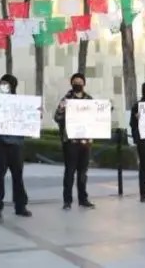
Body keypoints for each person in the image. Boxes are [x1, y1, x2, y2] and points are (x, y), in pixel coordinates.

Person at [0, 74, 32, 221]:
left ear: (12, 86)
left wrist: (35, 114)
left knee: (18, 177)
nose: (3, 86)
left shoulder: (21, 102)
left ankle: (20, 206)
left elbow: (30, 120)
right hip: (0, 145)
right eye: (1, 84)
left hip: (16, 145)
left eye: (6, 84)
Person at [54, 73, 95, 210]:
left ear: (84, 83)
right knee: (70, 172)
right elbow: (57, 117)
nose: (78, 84)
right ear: (72, 84)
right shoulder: (66, 99)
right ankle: (67, 201)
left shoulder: (89, 100)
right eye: (75, 82)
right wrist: (61, 109)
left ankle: (83, 199)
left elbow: (96, 117)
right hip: (70, 141)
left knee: (83, 172)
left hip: (86, 141)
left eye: (80, 82)